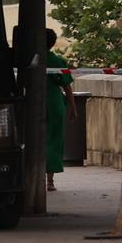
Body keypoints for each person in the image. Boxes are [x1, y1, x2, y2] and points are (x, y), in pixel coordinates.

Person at [45, 28, 77, 192]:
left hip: (32, 103)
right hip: (54, 104)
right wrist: (73, 108)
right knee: (53, 140)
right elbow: (67, 88)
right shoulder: (57, 61)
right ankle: (50, 181)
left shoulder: (29, 60)